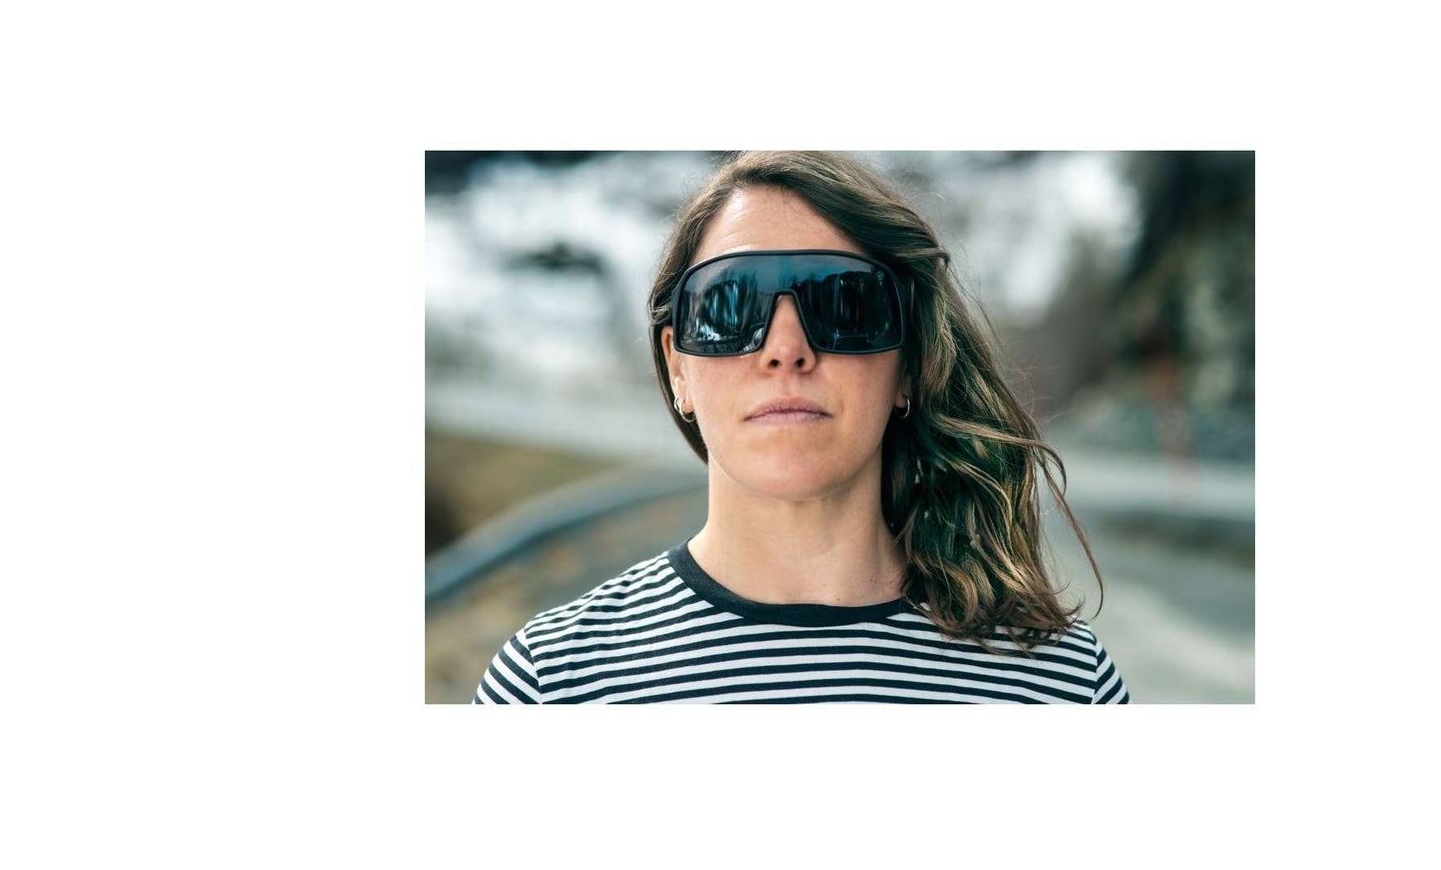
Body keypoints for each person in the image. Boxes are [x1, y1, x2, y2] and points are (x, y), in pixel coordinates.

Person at [474, 151, 1131, 704]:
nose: (785, 349)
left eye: (843, 301)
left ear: (908, 365)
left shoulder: (1065, 683)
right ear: (678, 369)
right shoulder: (549, 683)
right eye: (730, 303)